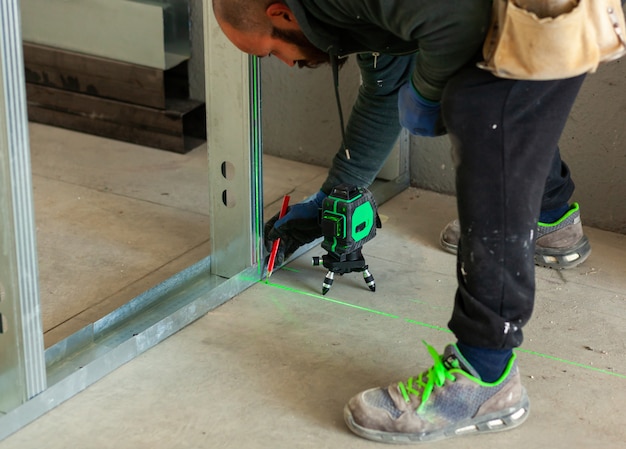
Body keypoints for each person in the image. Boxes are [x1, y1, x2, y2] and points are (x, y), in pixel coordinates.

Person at [212, 0, 593, 443]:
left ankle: (485, 376)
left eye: (268, 52)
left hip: (545, 7)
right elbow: (386, 84)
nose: (286, 64)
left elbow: (458, 23)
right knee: (506, 101)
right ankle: (550, 220)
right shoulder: (346, 14)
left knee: (484, 116)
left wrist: (429, 93)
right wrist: (337, 194)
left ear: (280, 14)